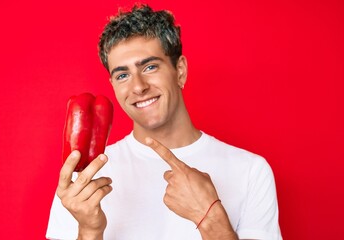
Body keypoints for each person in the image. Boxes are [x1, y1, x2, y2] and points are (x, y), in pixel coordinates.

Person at [46, 4, 282, 240]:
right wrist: (89, 231)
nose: (138, 87)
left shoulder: (251, 171)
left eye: (150, 67)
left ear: (180, 71)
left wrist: (210, 217)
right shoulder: (85, 180)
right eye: (123, 75)